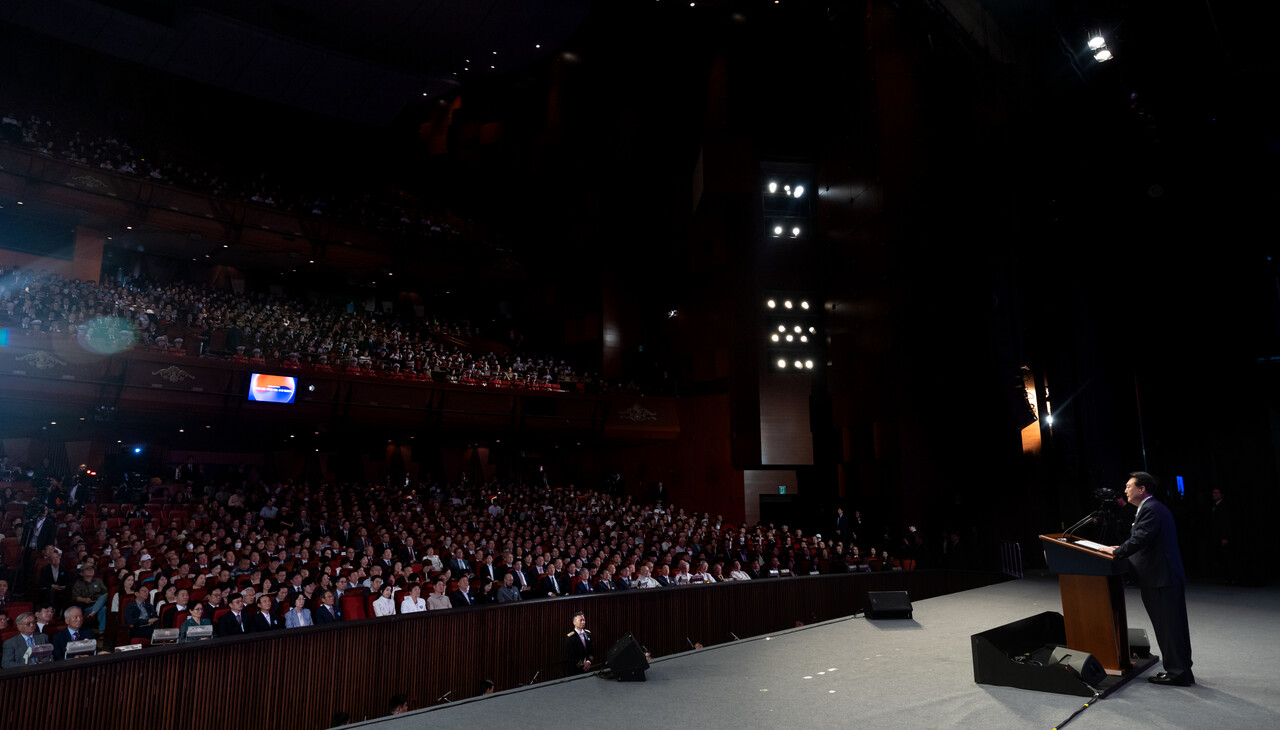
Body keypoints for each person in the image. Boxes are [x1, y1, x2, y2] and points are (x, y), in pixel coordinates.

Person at [1100, 471, 1194, 686]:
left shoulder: (1150, 509)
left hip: (1161, 578)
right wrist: (1121, 548)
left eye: (1128, 486)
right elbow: (1143, 539)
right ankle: (1180, 670)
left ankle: (1178, 672)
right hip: (1162, 577)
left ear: (1142, 489)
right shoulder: (1152, 508)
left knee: (1169, 628)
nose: (1125, 491)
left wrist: (1116, 552)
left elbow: (1140, 539)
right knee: (1172, 627)